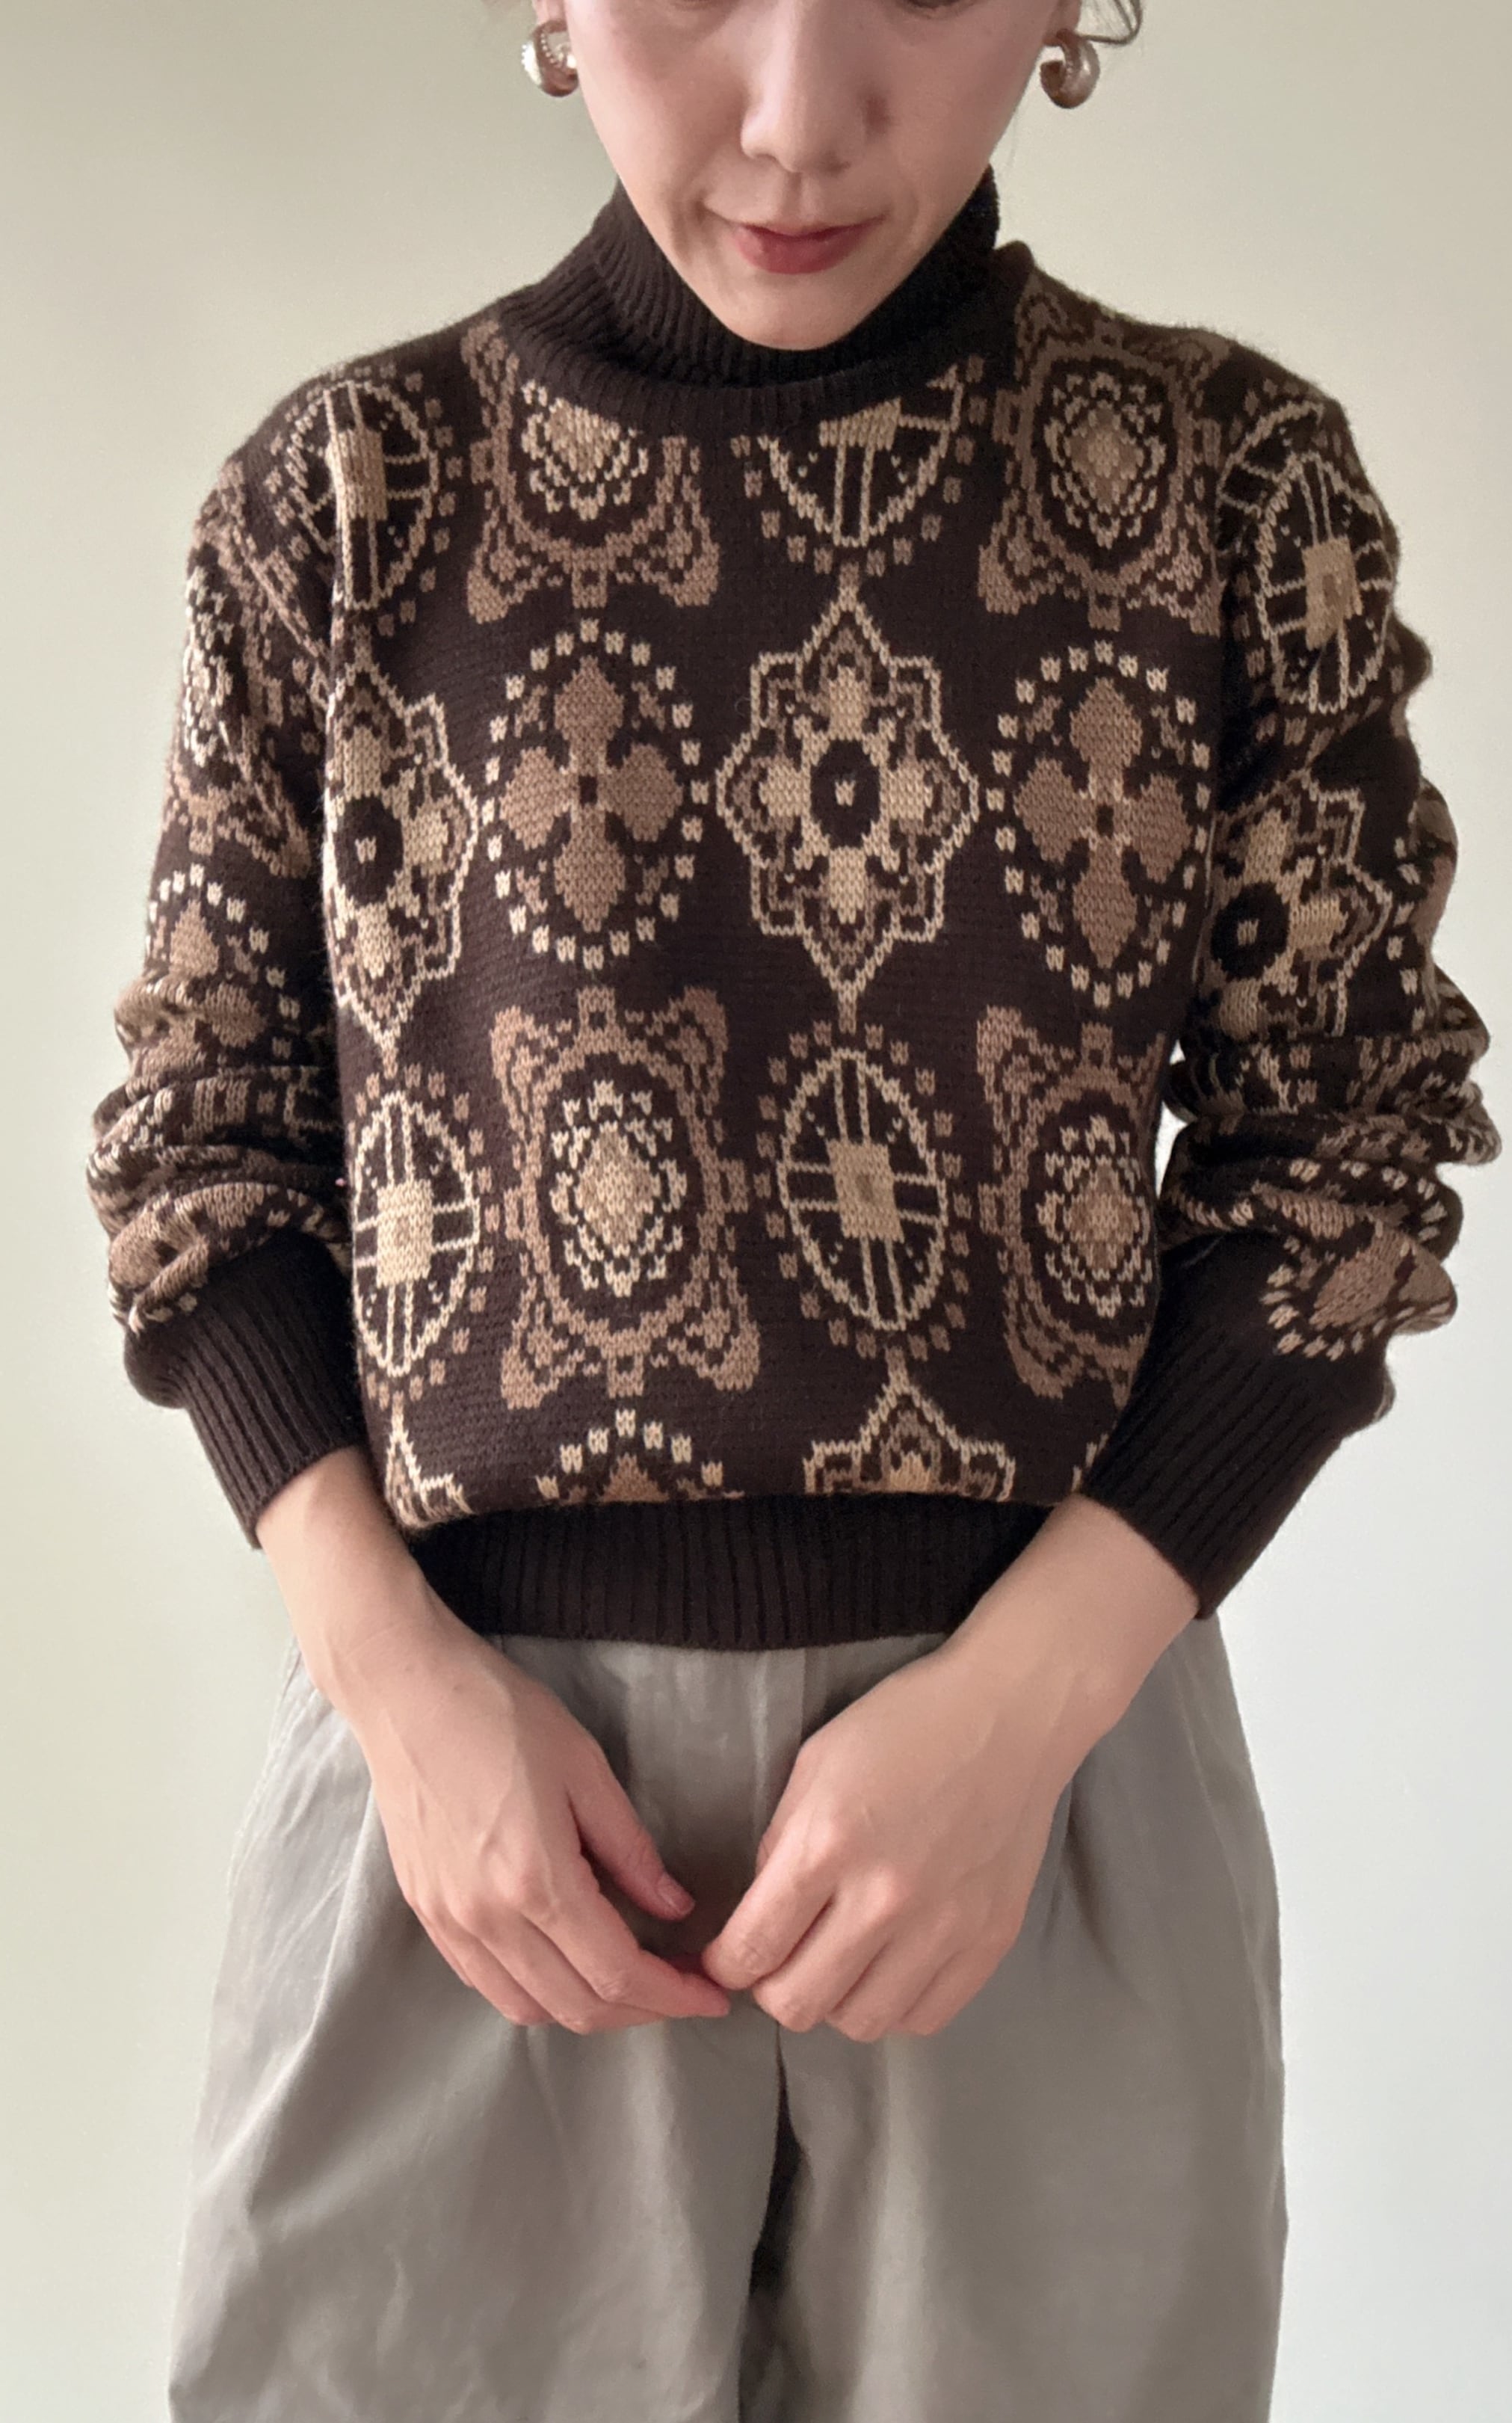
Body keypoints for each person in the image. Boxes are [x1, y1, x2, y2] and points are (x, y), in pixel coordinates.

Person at [83, 2, 1499, 2416]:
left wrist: (1032, 1705)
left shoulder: (1232, 497)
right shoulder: (343, 507)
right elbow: (206, 1152)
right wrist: (403, 1693)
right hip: (472, 1818)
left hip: (1039, 1802)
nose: (796, 118)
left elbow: (1348, 1149)